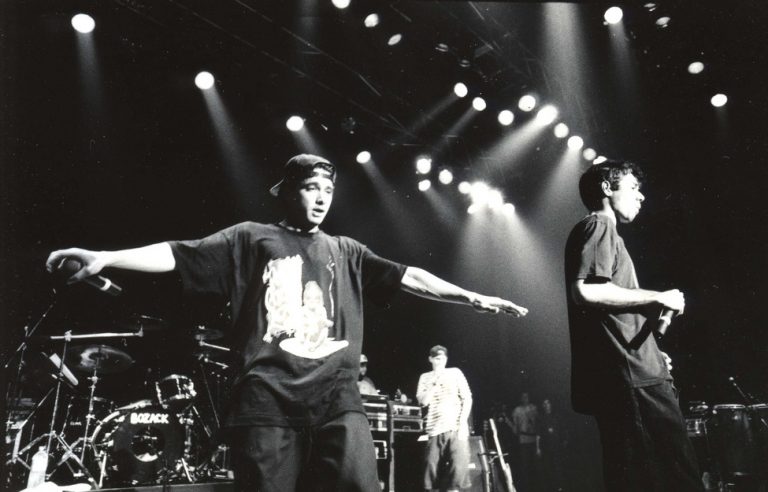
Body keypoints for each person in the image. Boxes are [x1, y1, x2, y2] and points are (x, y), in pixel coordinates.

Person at [46, 154, 528, 492]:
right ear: (288, 192)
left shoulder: (346, 250)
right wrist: (106, 257)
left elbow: (409, 276)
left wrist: (470, 296)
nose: (322, 198)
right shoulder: (251, 238)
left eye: (328, 190)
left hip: (338, 400)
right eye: (311, 188)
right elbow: (178, 254)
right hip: (267, 398)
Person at [564, 160, 703, 491]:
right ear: (607, 189)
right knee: (675, 476)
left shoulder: (604, 232)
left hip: (631, 372)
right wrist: (659, 297)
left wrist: (651, 350)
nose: (641, 197)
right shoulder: (598, 226)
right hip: (633, 377)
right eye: (633, 188)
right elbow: (586, 290)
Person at [416, 345, 473, 492]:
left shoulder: (455, 373)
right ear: (430, 359)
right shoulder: (425, 377)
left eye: (443, 359)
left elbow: (467, 398)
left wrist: (462, 424)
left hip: (455, 427)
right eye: (437, 359)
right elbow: (422, 401)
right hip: (434, 429)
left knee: (459, 466)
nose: (440, 362)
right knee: (431, 468)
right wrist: (435, 383)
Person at [509, 391, 539, 492]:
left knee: (535, 464)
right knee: (524, 465)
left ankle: (536, 486)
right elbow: (514, 427)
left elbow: (537, 422)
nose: (525, 398)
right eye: (523, 397)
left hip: (534, 439)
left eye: (527, 396)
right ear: (521, 398)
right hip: (523, 440)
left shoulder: (533, 408)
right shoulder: (517, 410)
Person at [537, 398, 567, 492]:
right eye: (544, 404)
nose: (546, 405)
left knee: (558, 466)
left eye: (548, 403)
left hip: (557, 446)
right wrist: (538, 448)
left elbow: (562, 429)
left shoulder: (556, 416)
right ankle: (550, 486)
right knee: (548, 467)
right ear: (543, 406)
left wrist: (565, 440)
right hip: (546, 447)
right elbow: (538, 435)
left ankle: (559, 486)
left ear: (551, 404)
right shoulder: (541, 418)